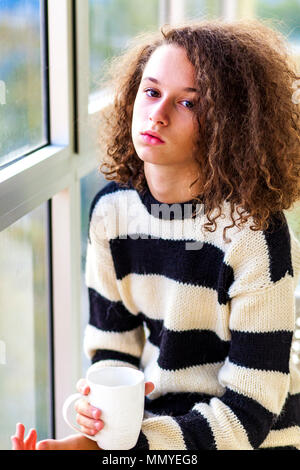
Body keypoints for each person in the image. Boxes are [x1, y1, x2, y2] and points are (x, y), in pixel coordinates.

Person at [12, 17, 300, 450]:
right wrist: (101, 424)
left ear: (230, 124)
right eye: (151, 92)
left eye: (189, 103)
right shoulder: (112, 213)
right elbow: (113, 350)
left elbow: (249, 413)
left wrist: (130, 449)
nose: (158, 115)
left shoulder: (255, 233)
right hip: (161, 429)